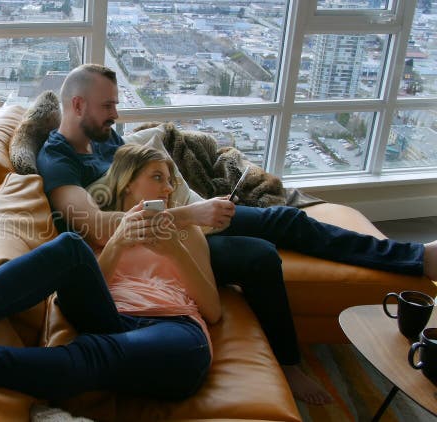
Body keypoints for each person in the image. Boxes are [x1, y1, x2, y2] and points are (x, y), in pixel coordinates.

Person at [36, 63, 437, 405]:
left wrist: (194, 207)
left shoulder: (105, 139)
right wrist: (191, 214)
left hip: (179, 225)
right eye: (108, 105)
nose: (116, 114)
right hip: (148, 247)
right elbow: (99, 226)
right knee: (260, 256)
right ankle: (289, 363)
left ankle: (414, 257)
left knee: (286, 219)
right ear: (78, 105)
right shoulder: (59, 159)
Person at [0, 146, 220, 400]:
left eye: (171, 181)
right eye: (158, 177)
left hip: (173, 329)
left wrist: (175, 249)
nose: (169, 188)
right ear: (127, 183)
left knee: (102, 353)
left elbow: (213, 311)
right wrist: (118, 244)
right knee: (71, 247)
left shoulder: (186, 232)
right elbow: (75, 296)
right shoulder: (105, 230)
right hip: (110, 315)